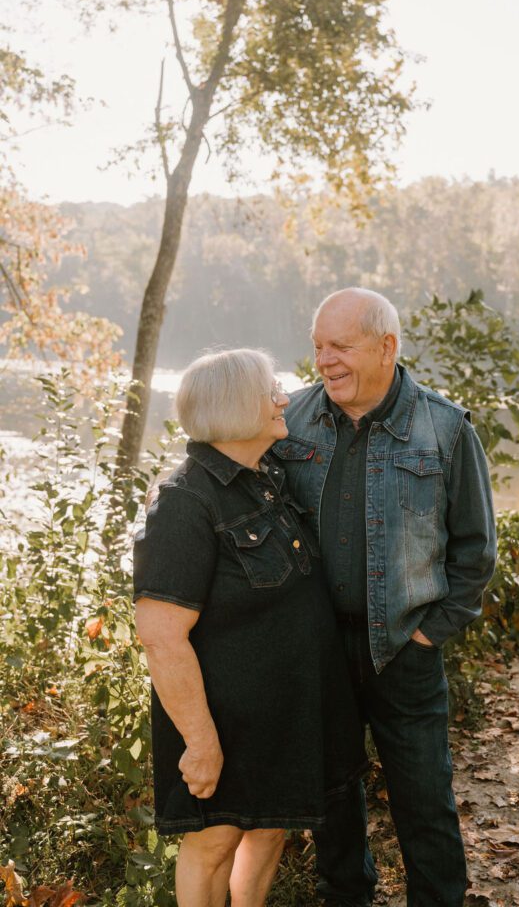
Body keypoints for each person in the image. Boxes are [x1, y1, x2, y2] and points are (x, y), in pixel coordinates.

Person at [272, 288, 497, 907]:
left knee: (425, 803)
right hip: (319, 650)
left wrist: (429, 635)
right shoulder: (287, 419)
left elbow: (475, 552)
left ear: (386, 347)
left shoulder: (444, 428)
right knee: (333, 804)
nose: (324, 360)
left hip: (405, 649)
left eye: (339, 346)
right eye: (318, 345)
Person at [133, 348, 368, 907]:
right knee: (215, 843)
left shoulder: (267, 477)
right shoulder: (184, 502)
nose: (284, 399)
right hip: (224, 719)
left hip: (285, 713)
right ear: (237, 406)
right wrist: (201, 741)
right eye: (271, 391)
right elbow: (162, 636)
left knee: (267, 830)